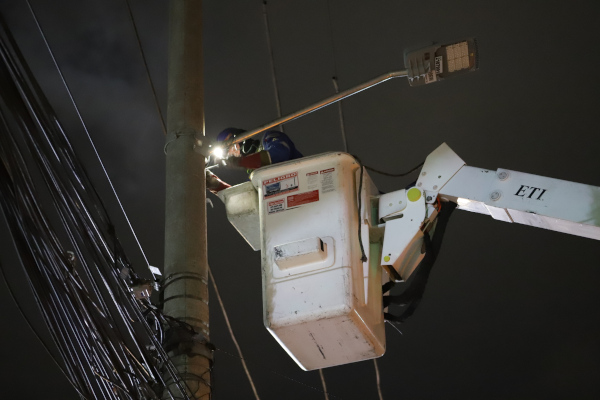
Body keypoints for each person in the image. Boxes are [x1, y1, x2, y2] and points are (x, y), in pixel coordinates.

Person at [206, 127, 303, 194]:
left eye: (229, 146)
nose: (231, 153)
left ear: (241, 138)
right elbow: (244, 199)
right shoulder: (255, 176)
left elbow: (280, 153)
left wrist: (241, 161)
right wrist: (215, 184)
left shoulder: (268, 139)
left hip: (303, 185)